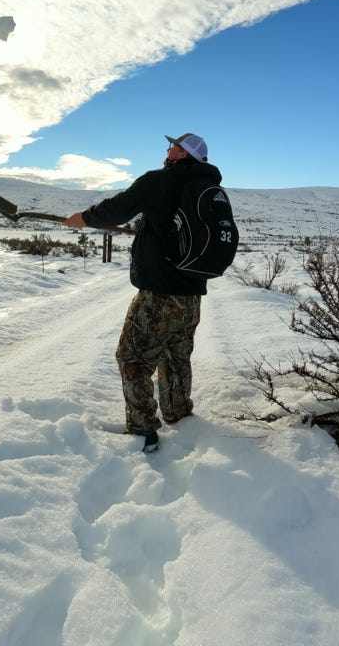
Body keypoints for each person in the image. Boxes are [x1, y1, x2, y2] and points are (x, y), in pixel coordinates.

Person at [65, 132, 223, 453]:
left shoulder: (159, 180)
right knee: (176, 358)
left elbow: (118, 208)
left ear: (182, 153)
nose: (167, 150)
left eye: (172, 146)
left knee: (133, 358)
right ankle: (179, 415)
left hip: (158, 296)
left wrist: (83, 218)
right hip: (191, 296)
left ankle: (142, 432)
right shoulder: (210, 189)